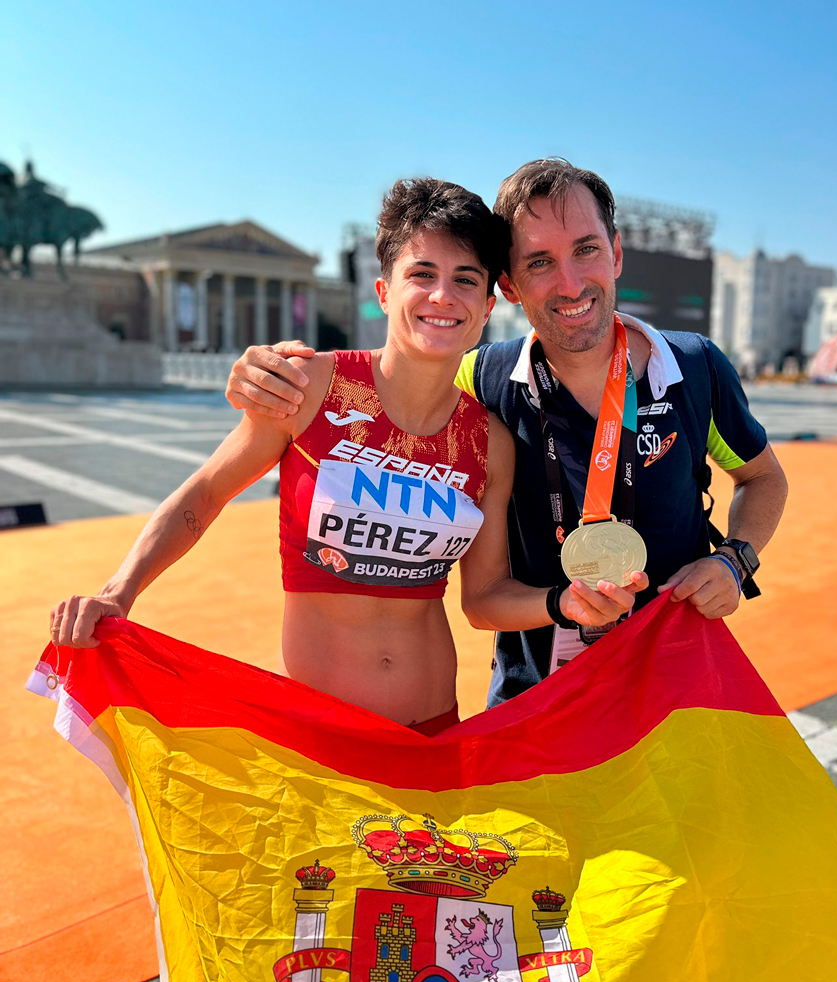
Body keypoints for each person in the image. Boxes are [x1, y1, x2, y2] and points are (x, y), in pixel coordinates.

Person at [48, 178, 644, 730]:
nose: (444, 294)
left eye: (466, 278)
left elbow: (483, 600)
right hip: (322, 730)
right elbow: (203, 497)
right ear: (385, 291)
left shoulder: (490, 443)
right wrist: (117, 592)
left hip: (435, 728)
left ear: (487, 307)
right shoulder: (307, 388)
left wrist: (562, 604)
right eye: (423, 273)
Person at [226, 160, 788, 706]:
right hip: (531, 705)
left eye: (586, 249)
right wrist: (271, 375)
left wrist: (735, 560)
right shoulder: (481, 377)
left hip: (677, 690)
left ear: (615, 254)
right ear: (511, 287)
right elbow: (391, 386)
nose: (569, 283)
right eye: (539, 262)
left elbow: (762, 479)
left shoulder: (695, 368)